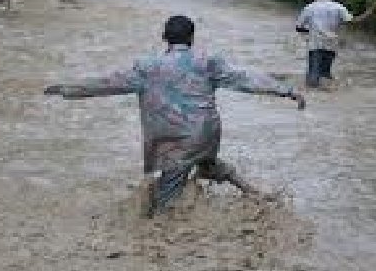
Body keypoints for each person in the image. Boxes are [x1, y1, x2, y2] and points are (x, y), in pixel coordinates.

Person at [44, 15, 306, 217]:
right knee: (205, 161)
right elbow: (246, 78)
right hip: (207, 133)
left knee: (164, 208)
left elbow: (105, 84)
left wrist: (65, 89)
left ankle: (167, 230)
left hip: (174, 141)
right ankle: (253, 193)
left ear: (164, 37)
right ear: (192, 38)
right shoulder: (208, 62)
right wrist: (286, 91)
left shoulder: (146, 67)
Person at [296, 0, 376, 89]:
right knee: (325, 75)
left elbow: (298, 27)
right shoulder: (338, 7)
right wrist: (370, 11)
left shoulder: (310, 7)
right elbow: (354, 21)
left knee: (312, 78)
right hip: (331, 44)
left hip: (315, 44)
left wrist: (310, 31)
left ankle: (315, 94)